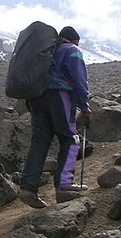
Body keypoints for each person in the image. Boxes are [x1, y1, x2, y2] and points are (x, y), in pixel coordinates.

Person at [18, 26, 91, 208]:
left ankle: (28, 188)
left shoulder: (46, 53)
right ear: (74, 40)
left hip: (36, 97)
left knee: (40, 141)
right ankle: (64, 186)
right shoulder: (72, 50)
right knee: (70, 138)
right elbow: (79, 79)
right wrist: (84, 106)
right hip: (59, 95)